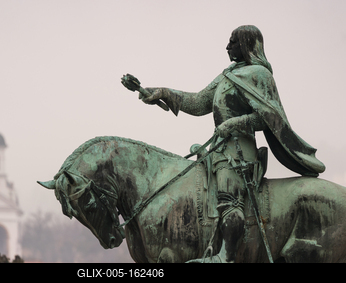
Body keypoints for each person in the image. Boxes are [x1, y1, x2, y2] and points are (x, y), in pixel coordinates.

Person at [139, 25, 325, 263]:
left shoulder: (260, 74)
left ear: (247, 45)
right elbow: (198, 103)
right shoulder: (228, 74)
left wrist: (235, 124)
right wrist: (164, 92)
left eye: (234, 42)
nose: (228, 47)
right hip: (219, 147)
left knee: (230, 198)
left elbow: (270, 119)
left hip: (239, 152)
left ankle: (225, 257)